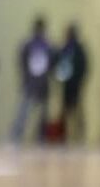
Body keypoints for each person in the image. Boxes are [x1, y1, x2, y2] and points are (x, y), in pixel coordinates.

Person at [10, 17, 53, 145]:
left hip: (38, 84)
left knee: (37, 114)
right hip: (34, 84)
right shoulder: (42, 45)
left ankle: (39, 138)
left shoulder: (44, 45)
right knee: (25, 112)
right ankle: (18, 137)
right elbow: (23, 63)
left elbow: (22, 63)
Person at [54, 23, 89, 144]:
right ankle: (63, 136)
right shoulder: (64, 49)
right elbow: (59, 65)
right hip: (66, 85)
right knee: (65, 111)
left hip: (76, 84)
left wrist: (79, 80)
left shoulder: (79, 49)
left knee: (77, 110)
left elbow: (84, 67)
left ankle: (80, 136)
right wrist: (60, 78)